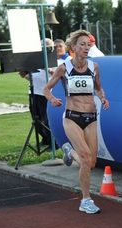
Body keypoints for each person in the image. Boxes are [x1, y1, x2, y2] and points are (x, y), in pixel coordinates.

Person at [43, 30, 109, 214]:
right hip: (72, 117)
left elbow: (98, 88)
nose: (87, 47)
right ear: (73, 47)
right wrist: (52, 99)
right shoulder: (64, 68)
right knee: (86, 159)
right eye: (83, 44)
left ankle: (70, 153)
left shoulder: (94, 66)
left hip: (91, 118)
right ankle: (86, 200)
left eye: (89, 45)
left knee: (92, 163)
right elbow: (47, 88)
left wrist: (102, 97)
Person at [19, 38, 54, 150]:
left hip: (47, 94)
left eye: (48, 46)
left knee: (46, 119)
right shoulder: (35, 60)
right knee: (36, 118)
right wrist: (24, 75)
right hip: (34, 93)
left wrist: (49, 69)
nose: (46, 49)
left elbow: (58, 74)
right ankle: (44, 139)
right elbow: (33, 77)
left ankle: (53, 143)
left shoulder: (54, 60)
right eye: (43, 46)